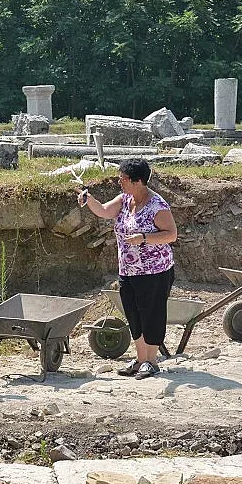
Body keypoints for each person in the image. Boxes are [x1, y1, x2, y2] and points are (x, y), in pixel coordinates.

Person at [80, 158, 178, 380]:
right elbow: (105, 211)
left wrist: (144, 238)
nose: (119, 182)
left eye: (123, 178)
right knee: (133, 314)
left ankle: (151, 361)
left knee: (151, 314)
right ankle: (141, 359)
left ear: (138, 181)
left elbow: (171, 235)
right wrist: (89, 199)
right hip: (128, 269)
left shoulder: (158, 206)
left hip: (154, 271)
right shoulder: (125, 199)